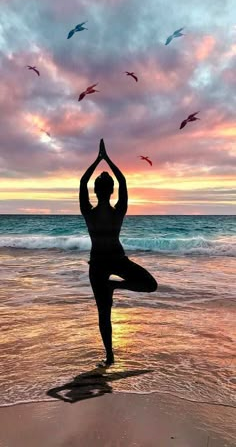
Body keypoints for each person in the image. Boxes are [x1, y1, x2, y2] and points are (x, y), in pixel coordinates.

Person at [79, 139, 158, 367]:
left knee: (104, 313)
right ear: (111, 191)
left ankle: (110, 356)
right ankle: (110, 355)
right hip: (114, 260)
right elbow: (122, 180)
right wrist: (107, 159)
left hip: (99, 264)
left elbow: (83, 181)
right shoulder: (119, 210)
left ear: (96, 191)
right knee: (149, 285)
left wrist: (98, 159)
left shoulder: (88, 211)